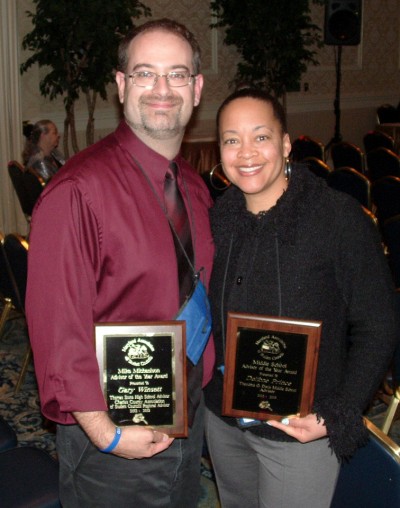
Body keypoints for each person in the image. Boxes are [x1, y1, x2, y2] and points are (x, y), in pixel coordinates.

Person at [25, 18, 214, 507]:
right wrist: (105, 433)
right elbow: (56, 324)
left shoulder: (194, 189)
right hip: (114, 442)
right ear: (121, 84)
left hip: (188, 418)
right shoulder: (78, 191)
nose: (161, 89)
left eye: (176, 74)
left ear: (195, 89)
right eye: (145, 72)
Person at [204, 87, 398, 508]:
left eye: (261, 136)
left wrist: (337, 412)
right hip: (222, 420)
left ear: (286, 143)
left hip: (299, 430)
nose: (246, 152)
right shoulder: (216, 219)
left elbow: (379, 322)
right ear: (219, 152)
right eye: (231, 139)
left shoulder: (337, 218)